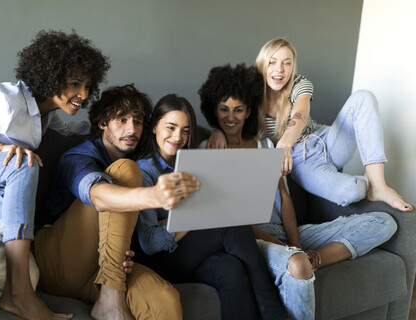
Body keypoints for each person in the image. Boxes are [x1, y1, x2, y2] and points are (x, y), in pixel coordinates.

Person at [199, 63, 398, 319]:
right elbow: (231, 223)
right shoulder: (209, 149)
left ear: (248, 110)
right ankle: (303, 261)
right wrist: (288, 249)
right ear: (214, 110)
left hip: (289, 233)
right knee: (297, 264)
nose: (231, 117)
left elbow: (284, 198)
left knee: (384, 222)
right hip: (254, 241)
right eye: (224, 109)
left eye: (238, 110)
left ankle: (318, 259)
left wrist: (295, 244)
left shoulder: (266, 145)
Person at [0, 30, 110, 320]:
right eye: (76, 84)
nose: (84, 95)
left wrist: (109, 130)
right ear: (51, 76)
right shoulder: (4, 98)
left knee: (18, 205)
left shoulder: (44, 117)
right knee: (23, 163)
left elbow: (70, 131)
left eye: (88, 86)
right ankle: (19, 293)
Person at [34, 84, 197, 320]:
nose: (131, 129)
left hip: (100, 268)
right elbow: (99, 196)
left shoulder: (141, 159)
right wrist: (153, 195)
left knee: (165, 298)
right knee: (126, 172)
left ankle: (111, 287)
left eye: (138, 122)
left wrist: (217, 134)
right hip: (56, 262)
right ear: (103, 123)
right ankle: (111, 294)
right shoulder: (79, 157)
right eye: (122, 119)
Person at [206, 38, 413, 212]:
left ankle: (378, 183)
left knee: (363, 97)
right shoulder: (250, 96)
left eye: (286, 63)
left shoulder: (299, 83)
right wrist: (218, 130)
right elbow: (232, 114)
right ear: (262, 64)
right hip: (302, 162)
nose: (279, 70)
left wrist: (285, 143)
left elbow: (301, 112)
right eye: (273, 62)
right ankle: (367, 184)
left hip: (326, 140)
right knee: (353, 192)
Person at [134, 93, 288, 320]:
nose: (178, 136)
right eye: (170, 127)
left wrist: (190, 217)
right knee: (233, 226)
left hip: (195, 251)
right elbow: (149, 243)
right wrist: (197, 216)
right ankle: (273, 312)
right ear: (155, 126)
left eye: (185, 130)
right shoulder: (144, 171)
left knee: (230, 269)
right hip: (162, 259)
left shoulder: (193, 164)